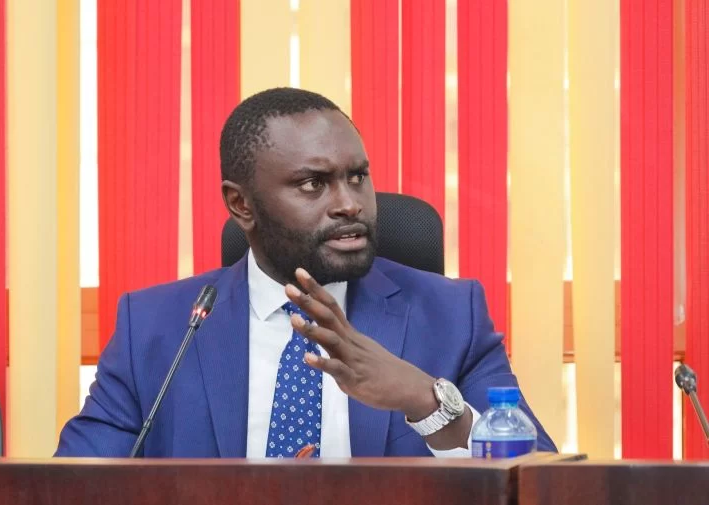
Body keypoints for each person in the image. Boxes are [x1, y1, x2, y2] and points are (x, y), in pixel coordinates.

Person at [56, 88, 556, 458]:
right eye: (313, 184)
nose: (349, 204)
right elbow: (75, 484)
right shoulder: (157, 327)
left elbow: (537, 481)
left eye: (357, 177)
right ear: (241, 204)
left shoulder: (451, 316)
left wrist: (426, 402)